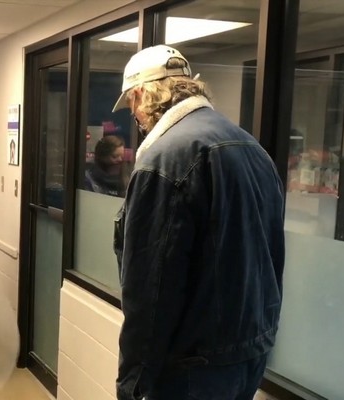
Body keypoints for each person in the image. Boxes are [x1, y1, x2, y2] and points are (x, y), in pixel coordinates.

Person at [111, 45, 285, 400]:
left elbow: (152, 290)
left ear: (143, 94)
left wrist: (133, 382)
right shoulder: (252, 148)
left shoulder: (165, 159)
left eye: (131, 104)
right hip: (248, 354)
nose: (135, 116)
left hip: (190, 367)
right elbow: (272, 256)